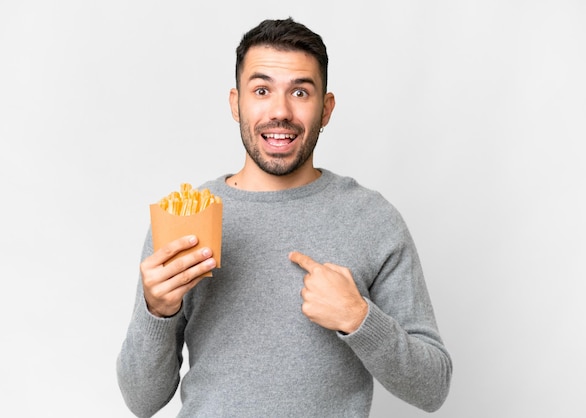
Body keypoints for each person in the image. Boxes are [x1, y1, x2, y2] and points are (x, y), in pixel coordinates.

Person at [117, 17, 452, 417]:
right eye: (261, 90)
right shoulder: (185, 216)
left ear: (326, 109)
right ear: (235, 103)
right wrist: (158, 311)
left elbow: (433, 389)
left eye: (300, 92)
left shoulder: (373, 219)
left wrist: (359, 318)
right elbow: (141, 401)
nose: (281, 111)